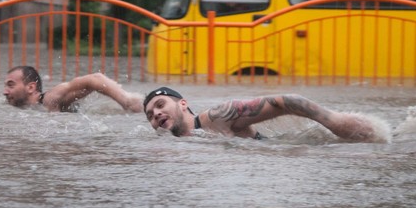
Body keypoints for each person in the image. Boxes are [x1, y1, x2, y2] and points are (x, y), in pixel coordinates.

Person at [141, 87, 387, 142]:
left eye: (161, 105)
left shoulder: (216, 117)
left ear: (183, 104)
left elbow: (286, 101)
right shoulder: (170, 144)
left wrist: (336, 122)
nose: (157, 114)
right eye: (151, 115)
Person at [3, 65, 143, 113]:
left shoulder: (50, 98)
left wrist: (127, 101)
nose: (5, 91)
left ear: (31, 87)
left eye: (11, 85)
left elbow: (95, 78)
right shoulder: (26, 108)